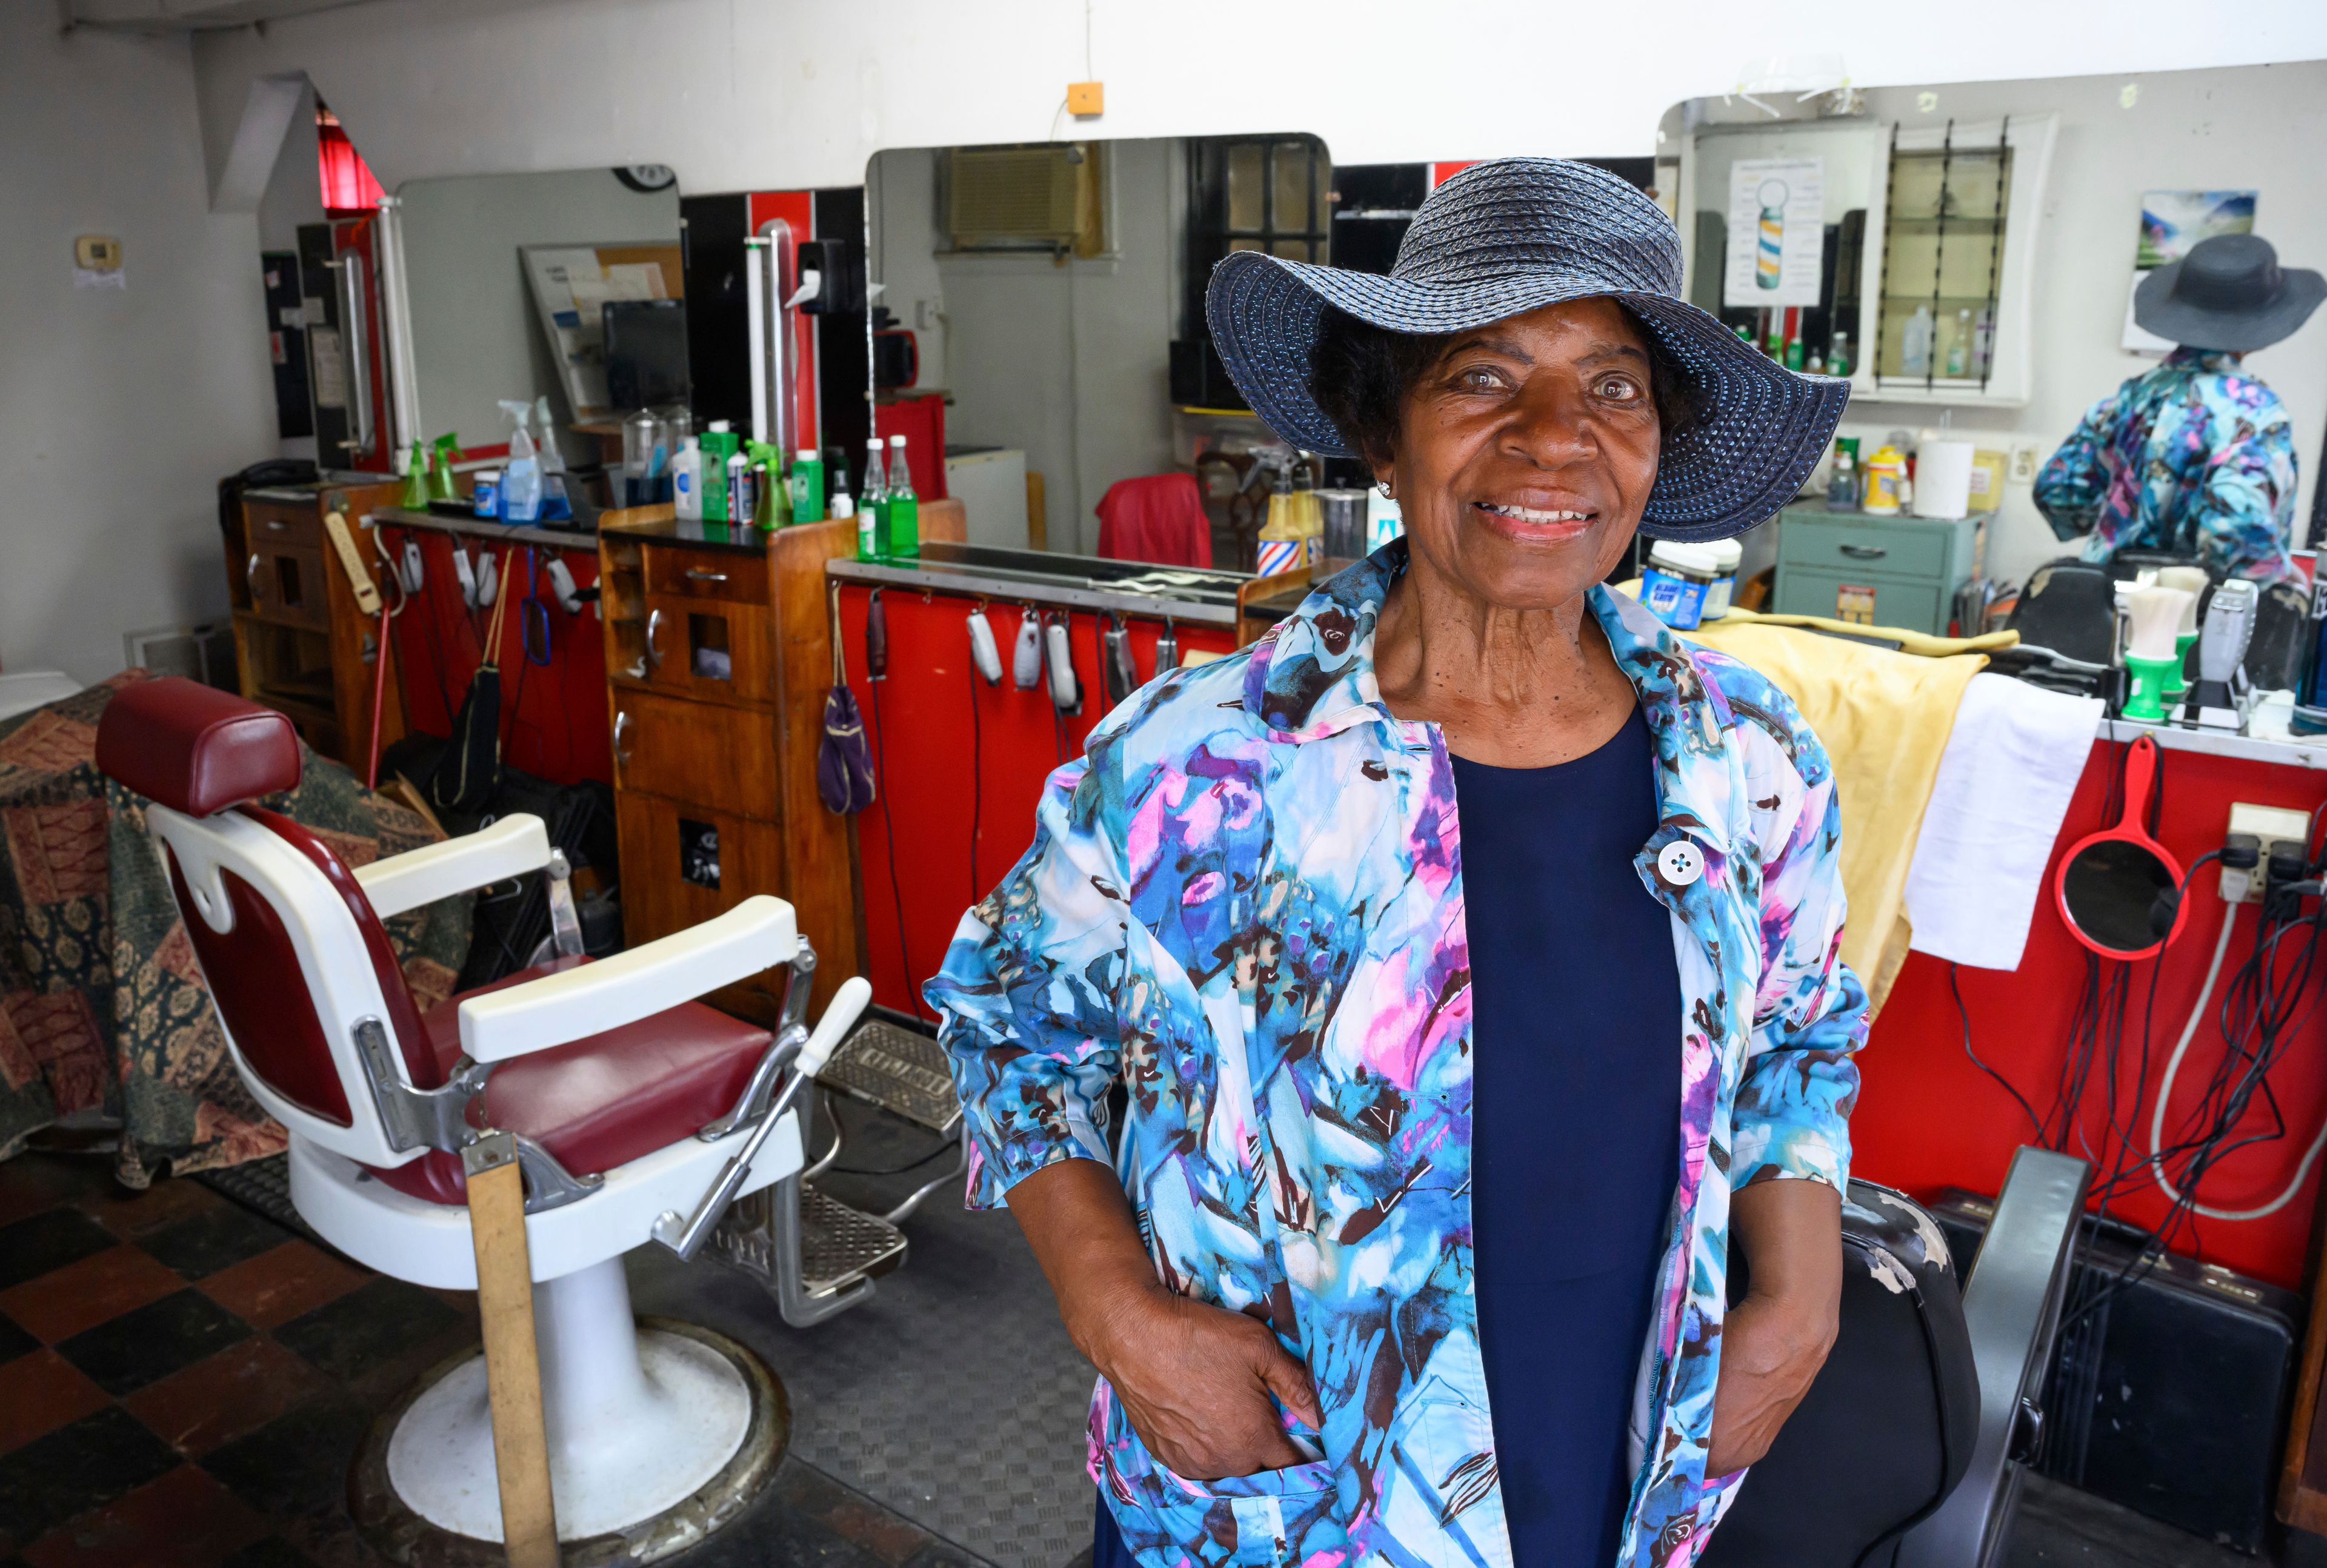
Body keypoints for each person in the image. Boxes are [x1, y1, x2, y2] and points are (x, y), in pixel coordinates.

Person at [929, 159, 1865, 1568]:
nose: (1554, 439)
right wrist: (1115, 1311)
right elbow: (1007, 1021)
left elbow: (1798, 1038)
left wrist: (1800, 1304)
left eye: (1611, 387)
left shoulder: (1749, 757)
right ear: (1382, 428)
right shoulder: (1198, 761)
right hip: (1286, 1501)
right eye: (1484, 377)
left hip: (1618, 1472)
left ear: (1656, 445)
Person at [2036, 232, 2323, 582]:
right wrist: (2278, 577)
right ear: (2261, 323)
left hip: (2103, 594)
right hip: (2193, 613)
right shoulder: (2257, 414)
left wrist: (2120, 525)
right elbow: (2238, 525)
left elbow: (2058, 489)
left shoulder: (2132, 397)